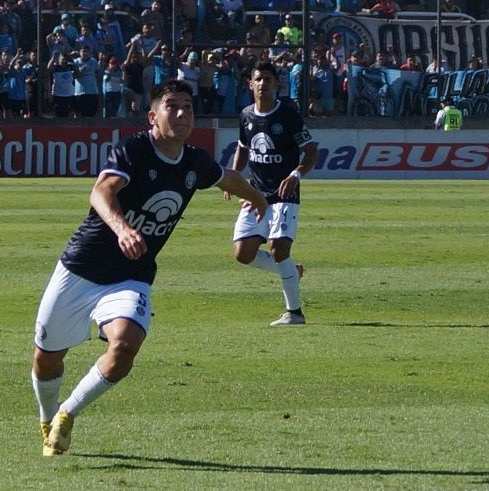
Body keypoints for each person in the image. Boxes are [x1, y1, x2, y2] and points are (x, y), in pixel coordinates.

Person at [32, 80, 269, 457]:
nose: (182, 114)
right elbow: (101, 191)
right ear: (152, 116)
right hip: (81, 268)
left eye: (188, 107)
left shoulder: (193, 161)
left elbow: (227, 177)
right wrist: (123, 228)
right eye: (172, 106)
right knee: (47, 359)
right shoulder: (135, 149)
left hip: (131, 274)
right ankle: (46, 417)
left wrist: (259, 199)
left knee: (125, 347)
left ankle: (67, 413)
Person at [228, 61, 319, 326]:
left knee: (278, 249)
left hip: (284, 191)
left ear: (276, 84)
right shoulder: (246, 115)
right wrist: (234, 177)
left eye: (268, 79)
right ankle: (293, 270)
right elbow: (243, 147)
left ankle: (294, 313)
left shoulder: (288, 115)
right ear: (250, 84)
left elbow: (311, 150)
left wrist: (295, 174)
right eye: (259, 79)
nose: (263, 83)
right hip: (255, 193)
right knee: (242, 254)